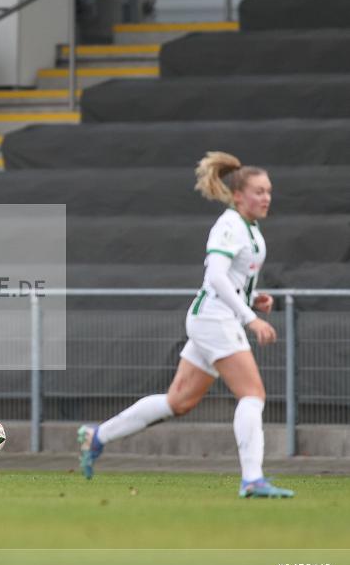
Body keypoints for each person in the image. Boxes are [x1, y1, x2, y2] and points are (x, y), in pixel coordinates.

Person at [78, 152, 294, 499]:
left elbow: (229, 281)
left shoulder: (249, 228)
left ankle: (97, 436)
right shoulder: (230, 225)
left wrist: (254, 300)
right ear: (238, 195)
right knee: (253, 394)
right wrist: (250, 317)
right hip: (215, 319)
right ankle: (252, 479)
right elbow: (215, 277)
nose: (266, 197)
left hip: (213, 316)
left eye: (268, 191)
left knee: (178, 402)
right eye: (258, 191)